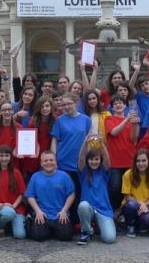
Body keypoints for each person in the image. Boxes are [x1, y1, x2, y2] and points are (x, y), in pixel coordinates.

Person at [51, 93, 92, 223]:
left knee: (80, 193)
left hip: (80, 163)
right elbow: (54, 141)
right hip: (63, 163)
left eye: (69, 103)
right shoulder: (59, 120)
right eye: (64, 105)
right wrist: (54, 160)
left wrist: (89, 159)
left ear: (76, 103)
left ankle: (80, 221)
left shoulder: (86, 119)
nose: (66, 107)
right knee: (66, 193)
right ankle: (67, 220)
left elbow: (89, 141)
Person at [25, 150, 75, 241]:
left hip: (59, 213)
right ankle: (48, 229)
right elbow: (30, 196)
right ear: (41, 163)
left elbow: (71, 194)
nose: (49, 163)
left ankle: (53, 229)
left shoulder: (64, 176)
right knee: (38, 236)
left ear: (55, 162)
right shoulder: (35, 177)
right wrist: (38, 212)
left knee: (66, 236)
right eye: (45, 160)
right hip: (42, 214)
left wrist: (64, 211)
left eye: (51, 160)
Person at [77, 132, 115, 245]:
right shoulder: (84, 173)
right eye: (91, 159)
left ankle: (99, 226)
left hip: (103, 210)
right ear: (88, 161)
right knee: (83, 205)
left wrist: (101, 142)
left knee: (109, 238)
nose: (94, 161)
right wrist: (85, 142)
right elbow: (80, 158)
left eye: (97, 159)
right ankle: (87, 232)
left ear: (100, 160)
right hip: (88, 209)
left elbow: (107, 159)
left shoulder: (103, 172)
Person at [105, 94, 140, 211]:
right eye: (115, 104)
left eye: (121, 103)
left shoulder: (131, 120)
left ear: (125, 105)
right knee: (115, 187)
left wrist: (135, 125)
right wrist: (127, 120)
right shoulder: (109, 119)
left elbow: (133, 139)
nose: (118, 105)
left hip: (129, 158)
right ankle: (112, 211)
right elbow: (114, 133)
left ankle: (125, 212)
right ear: (112, 108)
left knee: (129, 188)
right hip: (115, 159)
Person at [0, 145, 26, 239]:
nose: (4, 158)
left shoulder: (16, 172)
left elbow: (21, 193)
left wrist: (14, 205)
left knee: (20, 235)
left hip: (15, 207)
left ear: (11, 157)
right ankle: (1, 225)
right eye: (1, 156)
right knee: (9, 213)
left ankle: (9, 224)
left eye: (7, 155)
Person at [121, 149, 149, 238]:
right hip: (130, 204)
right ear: (134, 162)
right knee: (132, 205)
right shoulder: (128, 174)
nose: (141, 164)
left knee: (148, 219)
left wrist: (144, 206)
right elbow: (127, 196)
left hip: (147, 204)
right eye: (138, 161)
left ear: (148, 161)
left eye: (144, 160)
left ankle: (140, 223)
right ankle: (131, 225)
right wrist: (141, 204)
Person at [22, 96, 55, 181]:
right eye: (42, 107)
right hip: (33, 159)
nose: (44, 109)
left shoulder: (55, 121)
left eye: (47, 106)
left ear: (51, 107)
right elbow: (29, 142)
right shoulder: (32, 122)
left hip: (47, 158)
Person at [0, 102, 22, 169]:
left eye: (9, 109)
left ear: (13, 111)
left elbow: (21, 147)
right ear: (0, 111)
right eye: (4, 110)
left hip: (13, 164)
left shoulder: (19, 128)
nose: (7, 112)